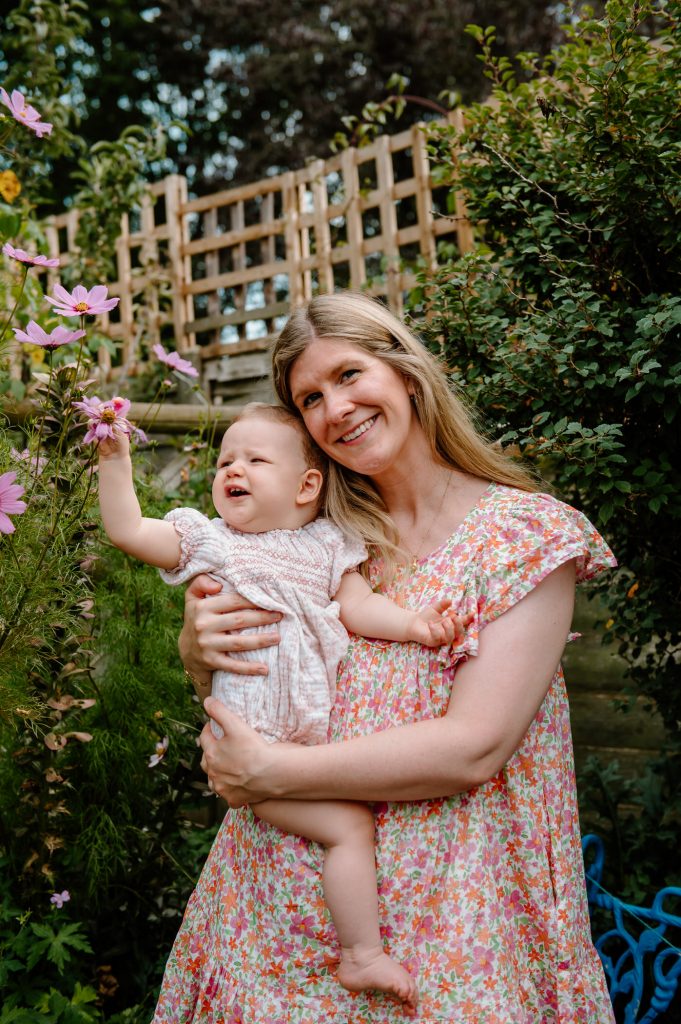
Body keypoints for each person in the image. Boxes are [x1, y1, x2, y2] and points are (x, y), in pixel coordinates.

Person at [153, 291, 617, 1024]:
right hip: (268, 933)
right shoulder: (306, 540)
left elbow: (474, 747)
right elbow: (253, 695)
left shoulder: (522, 537)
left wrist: (272, 773)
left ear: (405, 373)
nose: (335, 408)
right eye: (310, 397)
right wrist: (195, 652)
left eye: (348, 375)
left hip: (453, 936)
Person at [95, 400, 468, 1011]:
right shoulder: (210, 542)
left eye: (253, 459)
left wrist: (413, 625)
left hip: (305, 747)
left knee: (348, 824)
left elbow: (359, 608)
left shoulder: (326, 546)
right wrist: (116, 460)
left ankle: (354, 951)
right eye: (224, 461)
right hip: (250, 749)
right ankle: (362, 955)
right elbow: (128, 531)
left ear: (307, 485)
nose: (231, 469)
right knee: (349, 828)